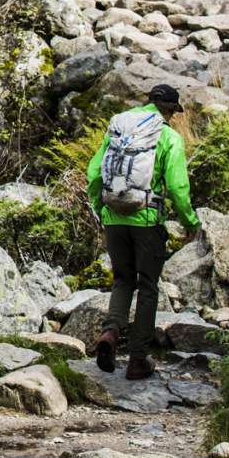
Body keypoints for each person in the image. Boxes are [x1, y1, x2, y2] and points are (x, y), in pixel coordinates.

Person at [86, 84, 200, 381]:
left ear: (148, 101)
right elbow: (177, 187)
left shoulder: (119, 128)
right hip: (147, 221)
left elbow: (94, 173)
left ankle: (111, 332)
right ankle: (138, 359)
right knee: (148, 286)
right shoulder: (169, 137)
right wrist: (190, 222)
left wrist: (101, 208)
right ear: (170, 111)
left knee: (122, 280)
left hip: (114, 217)